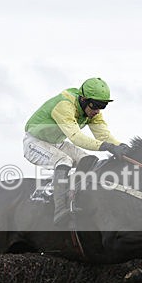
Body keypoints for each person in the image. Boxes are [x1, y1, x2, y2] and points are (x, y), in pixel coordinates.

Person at [24, 77, 129, 226]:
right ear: (84, 99)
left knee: (88, 160)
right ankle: (59, 209)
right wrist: (108, 147)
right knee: (64, 161)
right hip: (34, 143)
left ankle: (74, 196)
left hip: (57, 143)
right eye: (95, 106)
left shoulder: (92, 111)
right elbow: (76, 137)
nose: (97, 111)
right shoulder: (64, 105)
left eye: (102, 106)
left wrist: (123, 147)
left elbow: (104, 136)